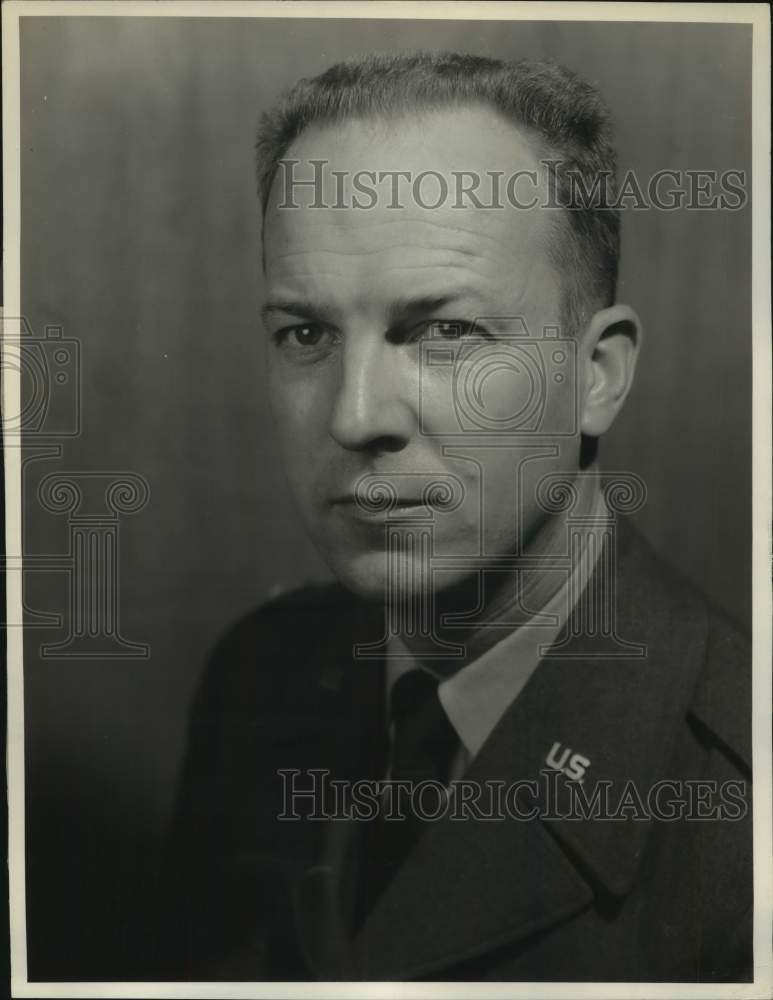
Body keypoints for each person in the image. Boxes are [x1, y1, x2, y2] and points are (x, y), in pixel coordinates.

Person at [160, 53, 752, 982]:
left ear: (593, 376)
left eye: (444, 332)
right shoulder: (259, 679)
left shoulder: (740, 803)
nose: (357, 415)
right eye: (304, 335)